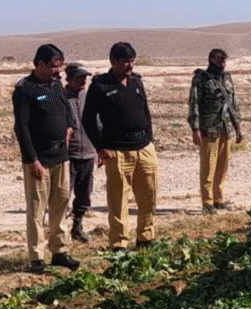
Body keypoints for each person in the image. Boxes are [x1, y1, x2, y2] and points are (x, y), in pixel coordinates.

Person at [12, 43, 81, 273]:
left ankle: (59, 251)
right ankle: (37, 257)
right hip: (39, 159)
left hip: (60, 156)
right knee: (37, 209)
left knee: (61, 204)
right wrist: (32, 159)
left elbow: (65, 109)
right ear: (39, 64)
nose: (57, 71)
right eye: (53, 66)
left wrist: (69, 126)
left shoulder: (56, 84)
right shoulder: (25, 89)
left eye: (59, 66)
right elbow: (21, 128)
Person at [82, 42, 158, 250]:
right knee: (118, 200)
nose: (130, 65)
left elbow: (145, 112)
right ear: (113, 61)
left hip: (143, 147)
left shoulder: (136, 82)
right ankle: (119, 243)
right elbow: (88, 119)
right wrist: (100, 147)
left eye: (132, 61)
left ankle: (146, 237)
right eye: (125, 61)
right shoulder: (100, 86)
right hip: (117, 151)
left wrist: (149, 139)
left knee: (149, 195)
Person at [188, 48, 243, 214]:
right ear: (211, 60)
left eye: (224, 61)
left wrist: (237, 127)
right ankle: (207, 202)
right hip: (209, 128)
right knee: (208, 167)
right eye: (219, 60)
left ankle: (219, 199)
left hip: (225, 127)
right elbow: (194, 103)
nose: (222, 64)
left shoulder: (226, 78)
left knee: (222, 166)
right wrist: (195, 128)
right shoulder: (201, 79)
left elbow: (233, 103)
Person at [63, 62, 97, 242]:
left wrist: (100, 147)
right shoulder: (59, 95)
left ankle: (77, 227)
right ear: (69, 79)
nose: (83, 81)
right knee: (62, 195)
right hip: (68, 155)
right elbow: (38, 100)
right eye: (79, 77)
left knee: (84, 194)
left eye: (85, 77)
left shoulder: (90, 95)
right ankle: (59, 232)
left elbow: (98, 121)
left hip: (89, 153)